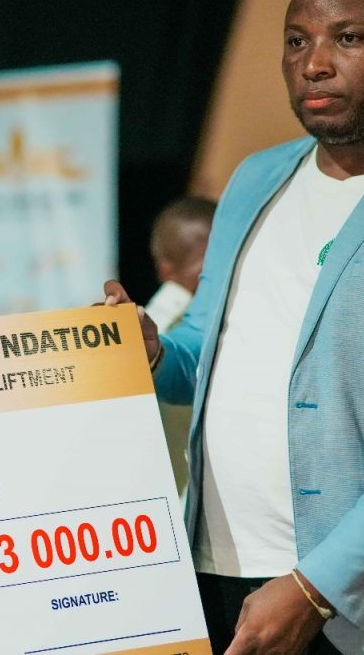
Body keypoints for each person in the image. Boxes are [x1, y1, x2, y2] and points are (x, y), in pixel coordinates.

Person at [104, 0, 364, 652]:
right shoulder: (255, 178)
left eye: (349, 38)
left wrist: (317, 586)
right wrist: (155, 351)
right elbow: (205, 345)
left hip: (361, 603)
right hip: (218, 571)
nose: (314, 63)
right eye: (297, 41)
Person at [143, 196, 215, 500]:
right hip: (183, 496)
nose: (216, 279)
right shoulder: (158, 332)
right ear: (166, 271)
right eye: (205, 270)